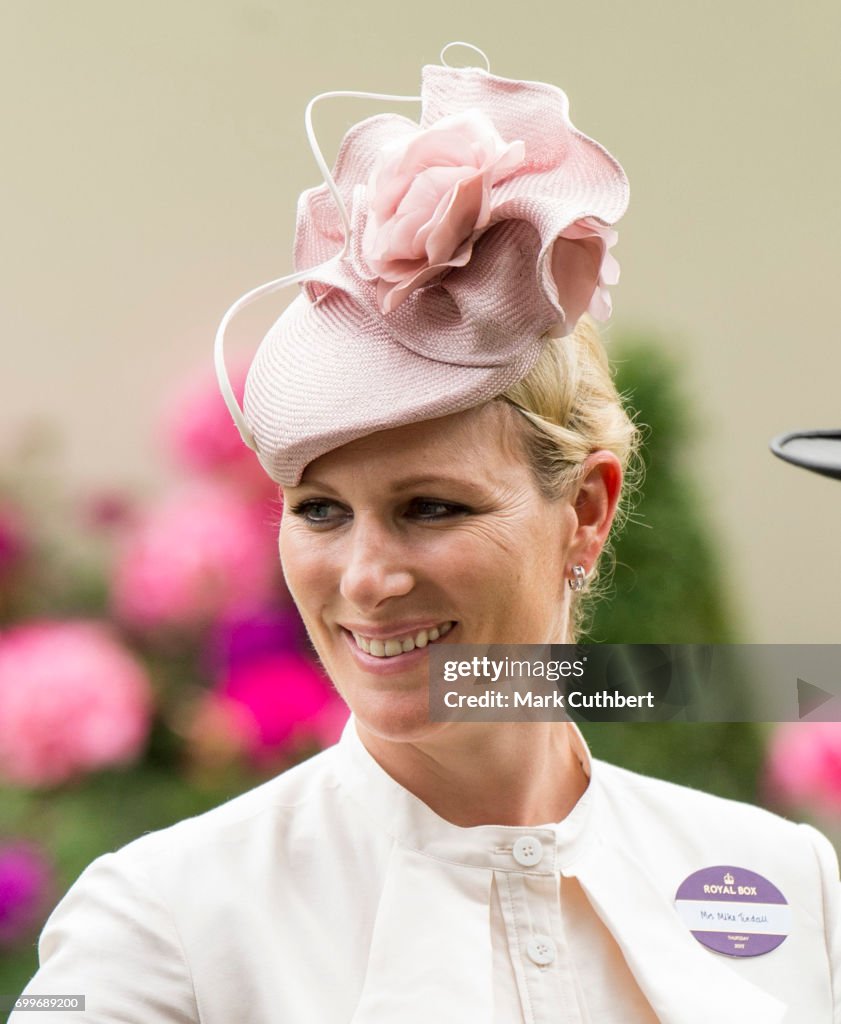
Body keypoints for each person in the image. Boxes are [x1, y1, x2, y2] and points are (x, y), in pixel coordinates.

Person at [10, 44, 840, 1024]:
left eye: (431, 508)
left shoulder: (784, 876)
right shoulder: (162, 918)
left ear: (586, 512)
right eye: (320, 509)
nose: (365, 578)